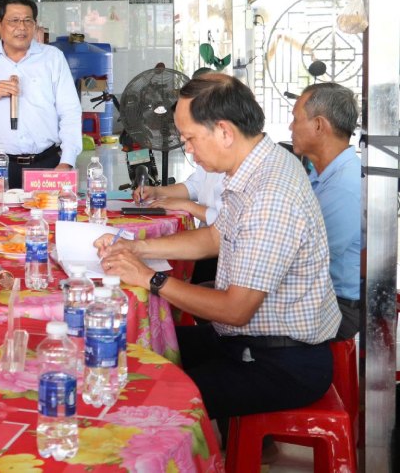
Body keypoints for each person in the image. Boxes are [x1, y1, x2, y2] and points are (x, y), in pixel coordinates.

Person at [96, 73, 341, 430]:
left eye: (190, 138)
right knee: (135, 345)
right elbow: (214, 237)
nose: (188, 150)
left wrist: (150, 277)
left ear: (225, 131)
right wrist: (136, 247)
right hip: (243, 341)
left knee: (140, 397)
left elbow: (235, 309)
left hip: (280, 361)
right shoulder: (253, 168)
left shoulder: (271, 194)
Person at [0, 0, 82, 189]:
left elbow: (70, 112)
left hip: (47, 164)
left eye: (27, 21)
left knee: (48, 218)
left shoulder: (52, 58)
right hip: (0, 165)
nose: (22, 28)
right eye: (14, 21)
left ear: (35, 24)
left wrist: (66, 162)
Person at [290, 82, 362, 340]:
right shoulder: (319, 174)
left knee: (225, 307)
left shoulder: (344, 186)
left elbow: (304, 259)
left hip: (336, 305)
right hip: (312, 291)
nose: (291, 127)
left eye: (296, 119)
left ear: (319, 125)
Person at [134, 164, 225, 227]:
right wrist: (155, 192)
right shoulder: (209, 160)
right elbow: (194, 186)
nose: (189, 148)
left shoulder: (236, 175)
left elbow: (224, 224)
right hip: (205, 238)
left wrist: (186, 205)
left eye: (192, 139)